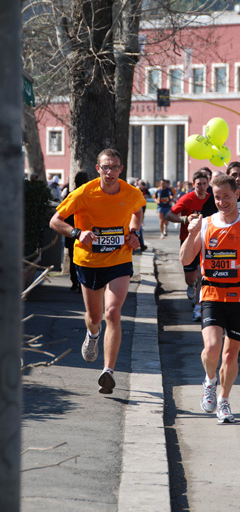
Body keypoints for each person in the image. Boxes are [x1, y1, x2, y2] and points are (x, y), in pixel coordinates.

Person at [49, 149, 145, 394]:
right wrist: (77, 233)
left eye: (114, 167)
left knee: (113, 312)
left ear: (121, 168)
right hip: (89, 262)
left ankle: (108, 371)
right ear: (97, 168)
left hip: (119, 260)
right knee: (95, 317)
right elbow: (55, 221)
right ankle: (92, 335)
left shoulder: (131, 193)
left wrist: (133, 233)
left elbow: (137, 211)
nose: (110, 172)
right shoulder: (83, 193)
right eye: (105, 167)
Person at [180, 174, 240, 423]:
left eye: (226, 196)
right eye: (217, 197)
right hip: (211, 292)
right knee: (212, 347)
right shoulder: (205, 224)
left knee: (230, 355)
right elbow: (186, 260)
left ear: (237, 195)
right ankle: (209, 380)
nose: (221, 201)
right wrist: (191, 233)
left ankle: (224, 401)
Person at [166, 170, 210, 322]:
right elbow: (169, 215)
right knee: (190, 278)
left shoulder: (211, 199)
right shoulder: (187, 199)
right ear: (193, 185)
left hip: (205, 241)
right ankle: (191, 286)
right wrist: (184, 219)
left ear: (208, 184)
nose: (202, 187)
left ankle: (199, 306)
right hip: (187, 240)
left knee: (201, 274)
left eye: (204, 184)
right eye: (199, 184)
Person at [201, 161, 240, 230]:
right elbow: (206, 216)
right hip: (223, 233)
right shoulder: (218, 194)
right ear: (228, 176)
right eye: (234, 175)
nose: (238, 178)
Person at [64, 170, 90, 292]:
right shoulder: (89, 195)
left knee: (73, 258)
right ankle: (82, 282)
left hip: (71, 231)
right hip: (86, 231)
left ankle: (74, 282)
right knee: (85, 258)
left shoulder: (70, 195)